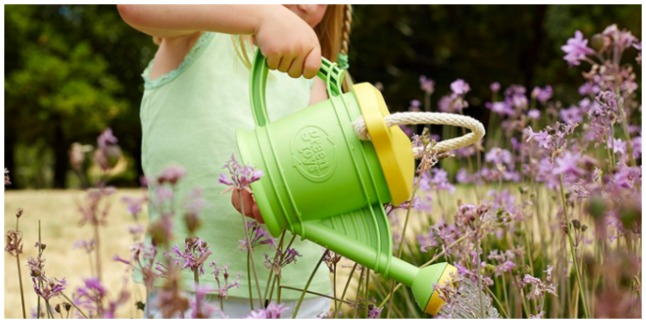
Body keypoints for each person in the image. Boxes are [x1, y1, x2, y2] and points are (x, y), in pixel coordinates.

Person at [118, 4, 353, 318]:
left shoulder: (315, 79)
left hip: (298, 291)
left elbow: (320, 183)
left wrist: (280, 202)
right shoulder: (198, 33)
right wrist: (262, 16)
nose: (307, 5)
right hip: (189, 287)